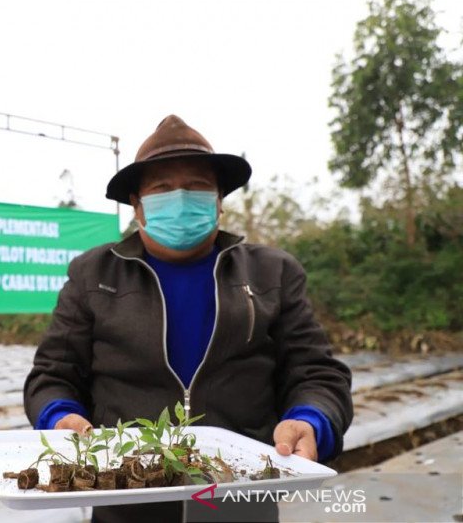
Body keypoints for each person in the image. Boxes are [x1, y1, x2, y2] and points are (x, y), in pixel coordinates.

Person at [23, 115, 353, 523]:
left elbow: (317, 373)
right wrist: (58, 416)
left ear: (218, 200)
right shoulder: (95, 274)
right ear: (137, 205)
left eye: (197, 186)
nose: (180, 198)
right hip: (126, 496)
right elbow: (53, 374)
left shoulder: (272, 273)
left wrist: (311, 420)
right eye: (162, 188)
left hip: (240, 496)